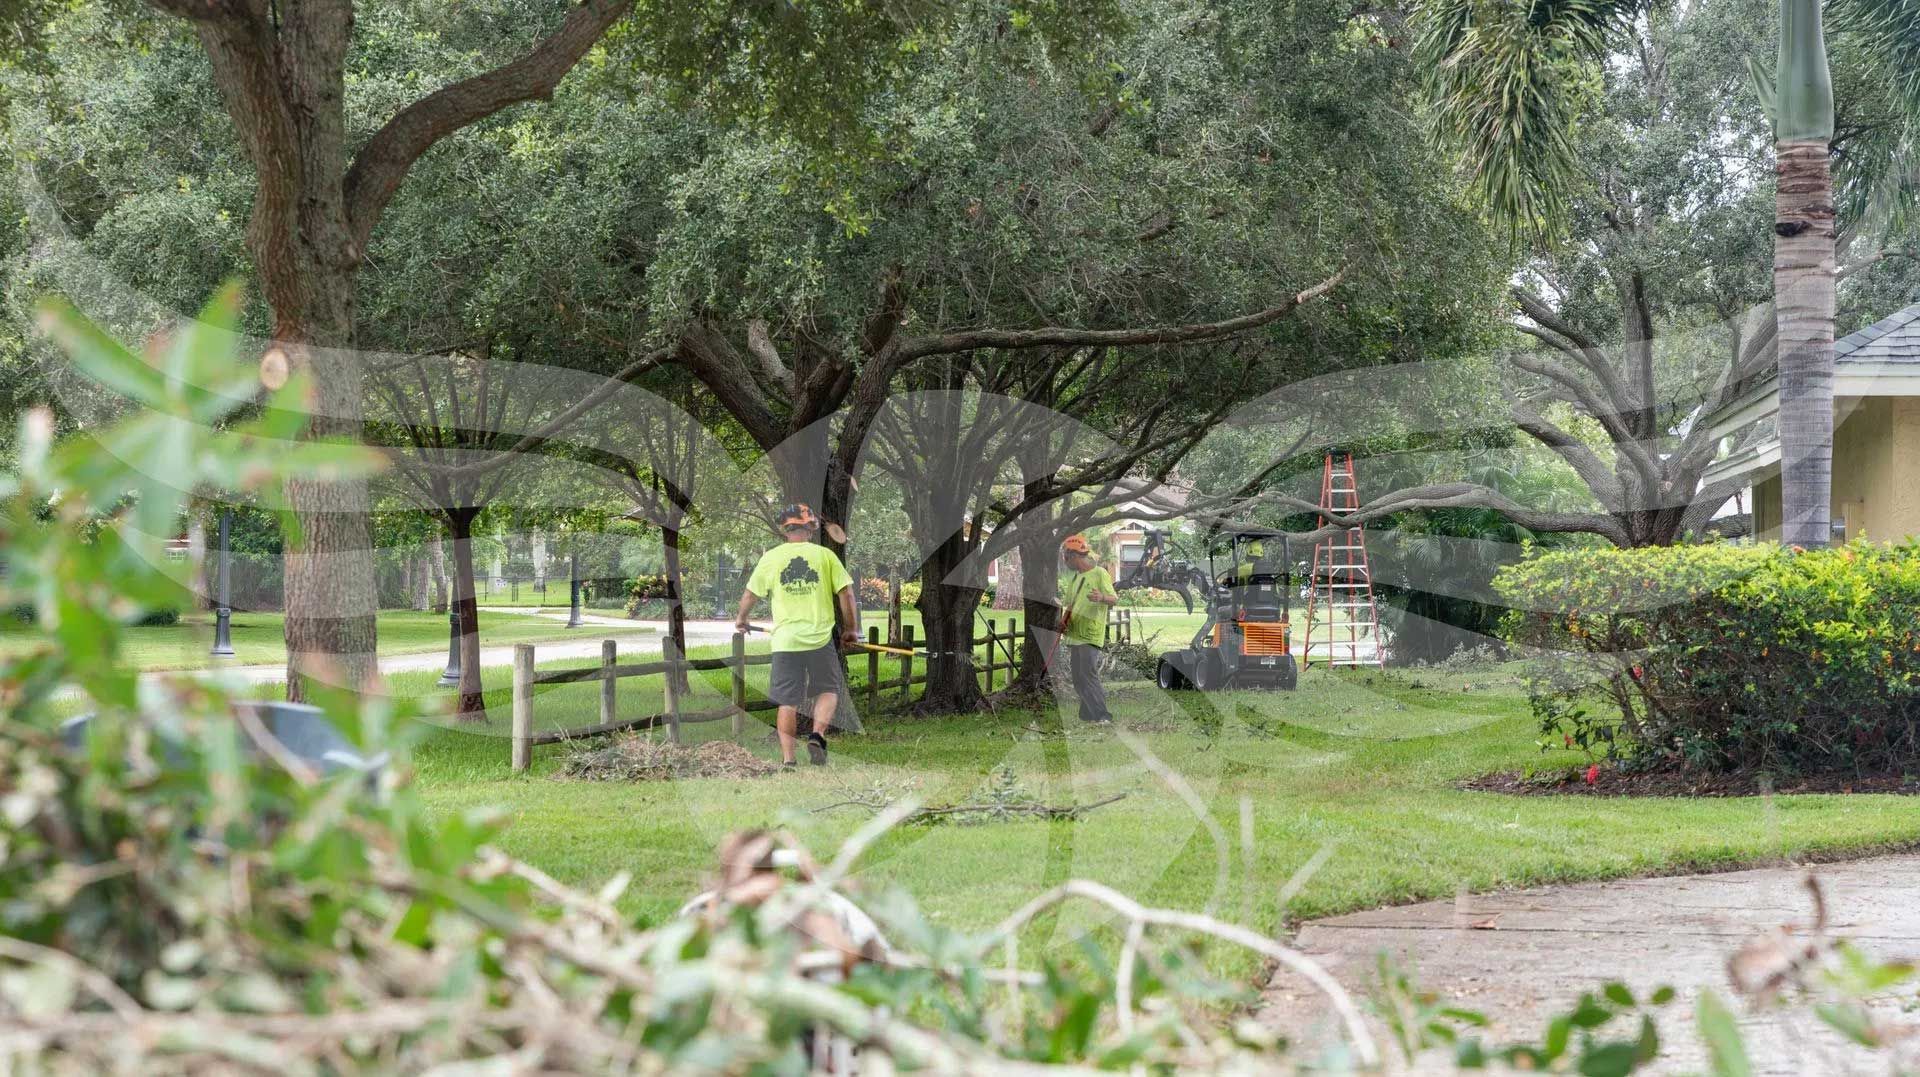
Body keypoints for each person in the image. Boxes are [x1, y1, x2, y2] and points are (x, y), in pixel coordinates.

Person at [736, 503, 859, 767]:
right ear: (811, 528)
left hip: (785, 641)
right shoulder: (825, 556)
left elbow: (749, 595)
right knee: (828, 688)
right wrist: (850, 629)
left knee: (787, 701)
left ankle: (789, 761)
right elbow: (846, 594)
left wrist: (741, 620)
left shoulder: (771, 558)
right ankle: (817, 734)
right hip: (819, 638)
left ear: (785, 529)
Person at [1057, 534, 1118, 724]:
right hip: (1074, 633)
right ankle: (1087, 714)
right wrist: (1063, 621)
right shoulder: (1076, 579)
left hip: (1090, 633)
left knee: (1088, 674)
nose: (1065, 562)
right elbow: (1070, 605)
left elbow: (1114, 599)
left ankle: (1103, 715)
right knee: (1078, 677)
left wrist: (1101, 597)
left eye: (1066, 558)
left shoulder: (1099, 573)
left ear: (1074, 555)